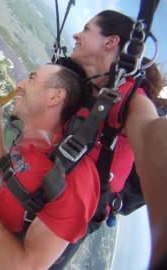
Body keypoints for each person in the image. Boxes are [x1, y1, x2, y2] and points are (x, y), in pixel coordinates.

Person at [0, 64, 100, 269]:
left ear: (55, 97)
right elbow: (5, 169)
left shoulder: (74, 178)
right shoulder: (31, 141)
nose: (18, 85)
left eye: (31, 78)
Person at [70, 10, 167, 268]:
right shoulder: (86, 86)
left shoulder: (133, 101)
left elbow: (149, 134)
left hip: (70, 221)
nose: (76, 35)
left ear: (110, 42)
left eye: (87, 29)